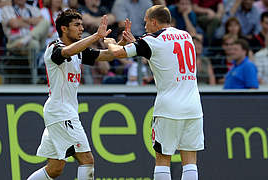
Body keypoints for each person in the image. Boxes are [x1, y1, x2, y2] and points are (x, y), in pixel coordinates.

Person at [27, 9, 128, 180]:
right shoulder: (54, 48)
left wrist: (121, 43)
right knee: (87, 160)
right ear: (64, 29)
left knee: (55, 168)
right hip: (61, 113)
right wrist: (96, 36)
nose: (81, 28)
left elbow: (107, 55)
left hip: (62, 113)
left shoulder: (79, 51)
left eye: (82, 24)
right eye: (77, 25)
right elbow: (66, 52)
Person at [108, 5, 204, 180]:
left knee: (162, 159)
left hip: (169, 108)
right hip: (194, 107)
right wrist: (136, 43)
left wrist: (110, 42)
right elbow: (163, 53)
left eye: (145, 22)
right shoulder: (186, 36)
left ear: (154, 21)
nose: (144, 27)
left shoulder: (152, 40)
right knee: (190, 161)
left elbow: (116, 53)